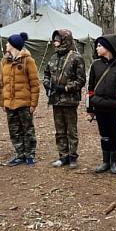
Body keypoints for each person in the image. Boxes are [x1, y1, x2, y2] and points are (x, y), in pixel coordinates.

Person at [86, 34, 116, 175]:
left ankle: (114, 162)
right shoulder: (95, 65)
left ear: (108, 47)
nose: (97, 48)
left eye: (100, 45)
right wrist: (90, 108)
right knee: (104, 134)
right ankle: (105, 161)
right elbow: (90, 88)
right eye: (97, 45)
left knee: (114, 134)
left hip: (115, 108)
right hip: (99, 107)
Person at [43, 30, 86, 169]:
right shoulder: (53, 57)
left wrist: (65, 88)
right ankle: (63, 156)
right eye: (54, 40)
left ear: (65, 40)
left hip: (69, 100)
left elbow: (81, 80)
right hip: (55, 100)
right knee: (59, 130)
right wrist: (47, 83)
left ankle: (73, 157)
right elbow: (46, 74)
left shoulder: (76, 58)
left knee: (71, 131)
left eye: (58, 40)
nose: (55, 43)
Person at [0, 32, 40, 166]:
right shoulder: (4, 61)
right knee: (14, 130)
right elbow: (2, 84)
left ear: (14, 45)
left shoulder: (28, 60)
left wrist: (33, 104)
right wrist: (3, 102)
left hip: (24, 103)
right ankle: (20, 154)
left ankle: (30, 155)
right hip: (10, 103)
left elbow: (34, 84)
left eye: (8, 42)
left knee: (27, 129)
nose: (6, 44)